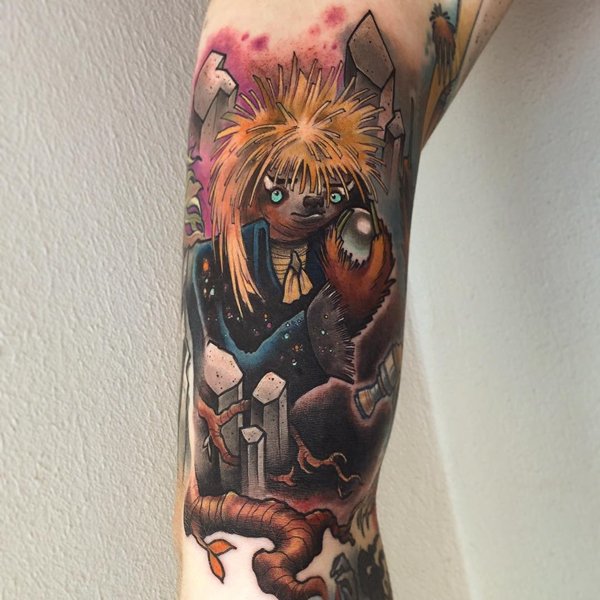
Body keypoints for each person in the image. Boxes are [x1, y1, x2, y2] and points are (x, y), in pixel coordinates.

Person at [176, 1, 513, 598]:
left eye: (327, 192)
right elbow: (226, 367)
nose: (308, 205)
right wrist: (316, 332)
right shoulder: (217, 263)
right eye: (286, 188)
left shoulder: (333, 255)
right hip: (250, 463)